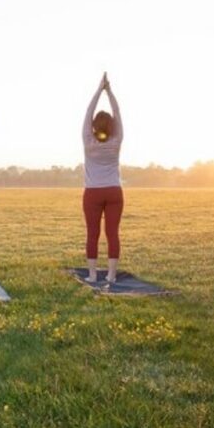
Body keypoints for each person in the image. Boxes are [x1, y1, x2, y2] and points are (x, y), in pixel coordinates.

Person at [82, 72, 124, 284]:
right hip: (114, 191)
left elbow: (89, 112)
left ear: (93, 127)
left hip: (93, 193)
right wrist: (110, 91)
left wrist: (99, 90)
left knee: (93, 234)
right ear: (112, 127)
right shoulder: (116, 141)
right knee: (112, 234)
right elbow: (117, 112)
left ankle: (92, 275)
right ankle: (112, 275)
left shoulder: (88, 141)